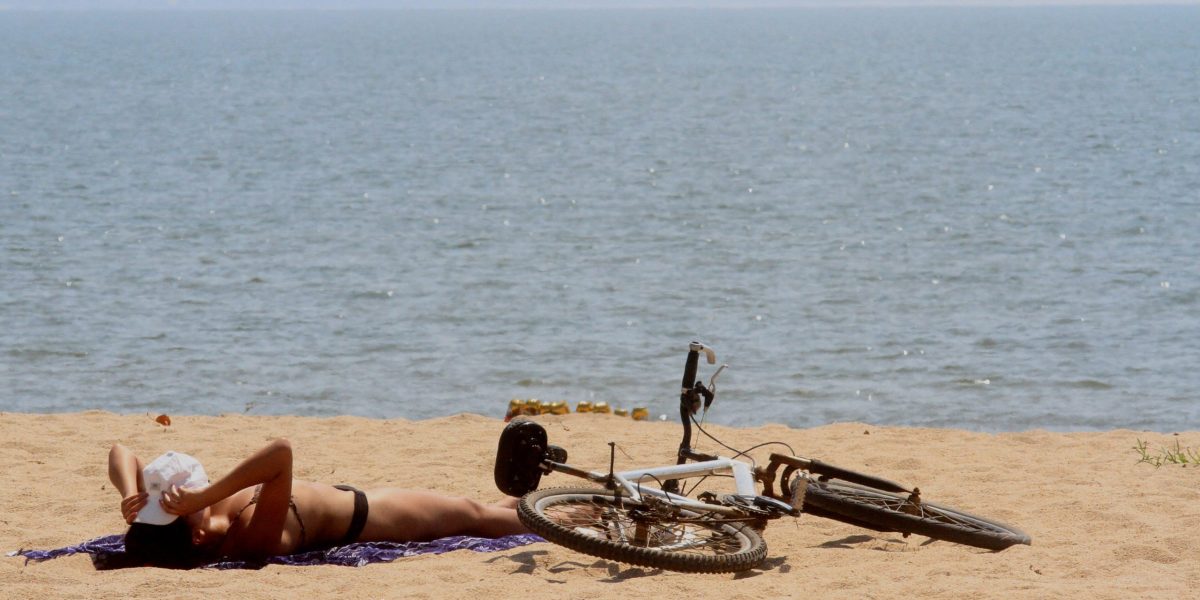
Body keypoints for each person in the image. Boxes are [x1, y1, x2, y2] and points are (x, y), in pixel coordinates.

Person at [108, 438, 528, 568]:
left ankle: (542, 499)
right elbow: (280, 455)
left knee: (483, 510)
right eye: (177, 507)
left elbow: (120, 452)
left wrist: (130, 493)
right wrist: (206, 494)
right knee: (478, 517)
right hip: (373, 515)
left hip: (343, 497)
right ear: (197, 537)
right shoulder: (248, 543)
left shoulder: (185, 525)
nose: (179, 499)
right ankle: (573, 518)